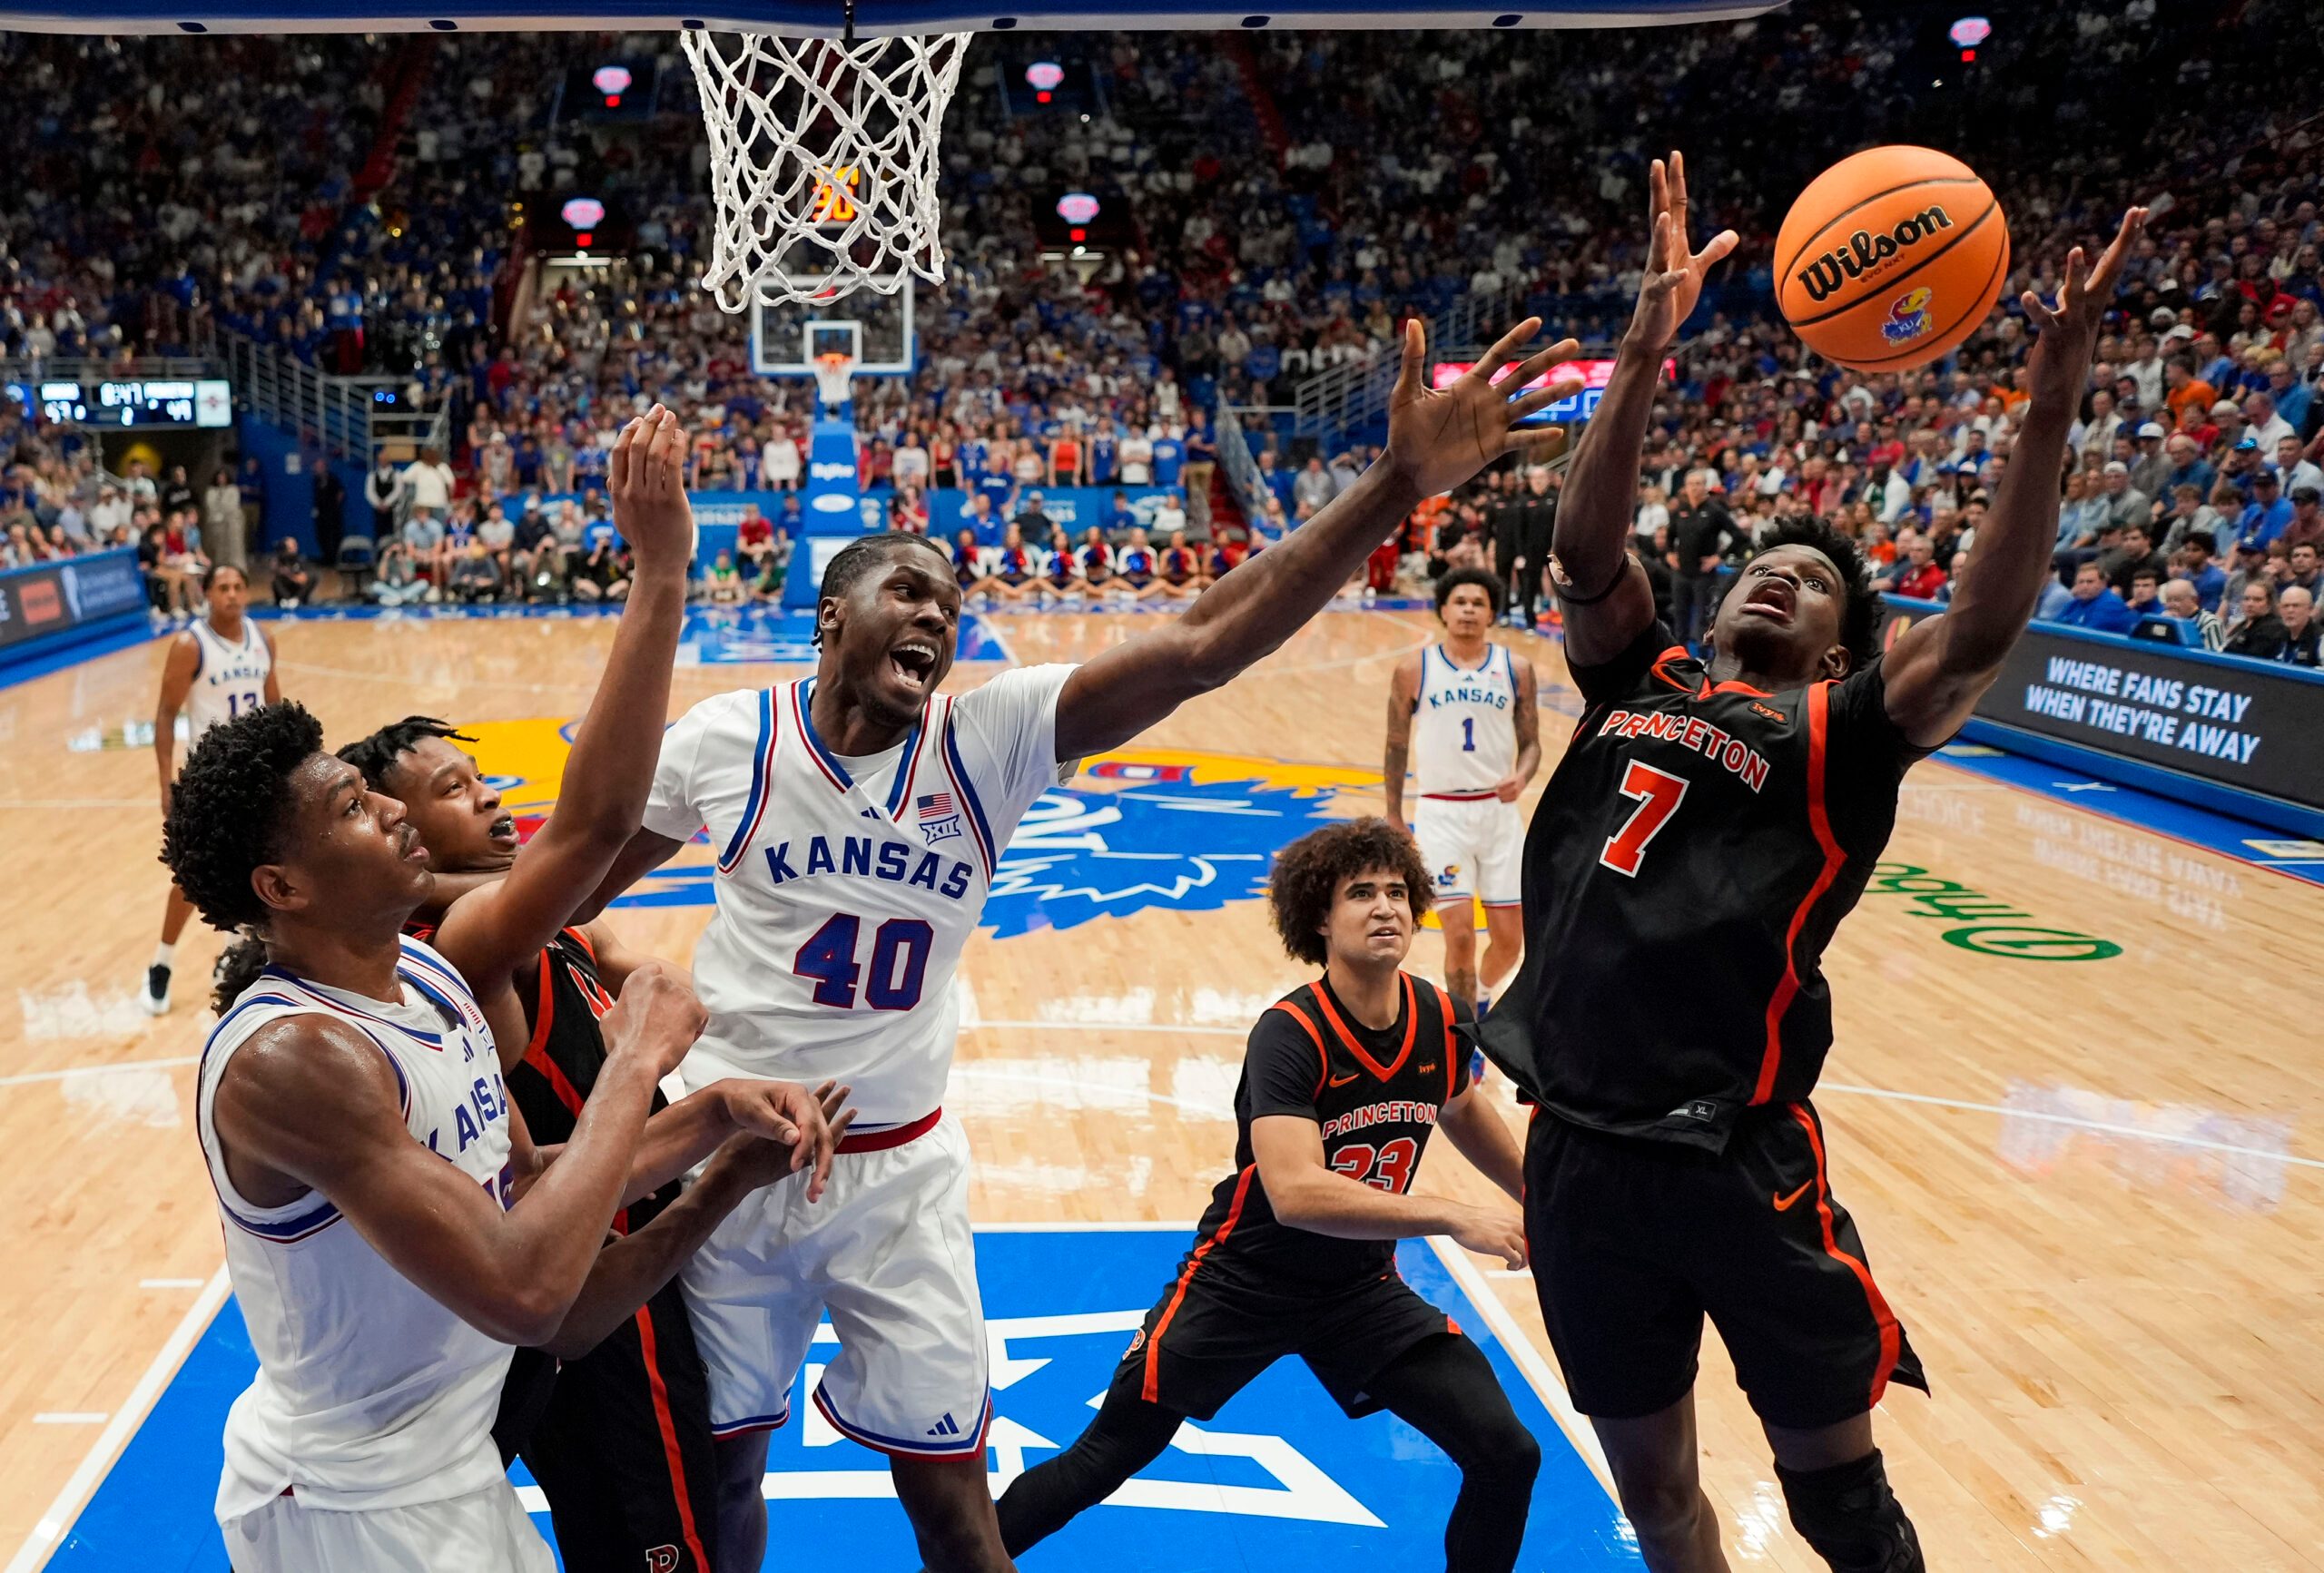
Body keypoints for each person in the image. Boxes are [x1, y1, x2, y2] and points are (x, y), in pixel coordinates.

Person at [578, 320, 1585, 1573]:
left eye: (951, 604)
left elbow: (1209, 640)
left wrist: (1391, 487)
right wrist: (618, 985)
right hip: (730, 1163)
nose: (937, 617)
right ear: (833, 613)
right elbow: (569, 882)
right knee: (723, 1474)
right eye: (909, 592)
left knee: (952, 1502)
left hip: (898, 1176)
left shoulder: (987, 735)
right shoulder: (728, 739)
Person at [1489, 156, 2146, 1573]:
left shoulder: (1842, 736)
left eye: (1814, 578)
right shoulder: (1637, 678)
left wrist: (2049, 397)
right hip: (1581, 1155)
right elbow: (1587, 551)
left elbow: (1973, 631)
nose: (1775, 571)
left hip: (1737, 1158)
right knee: (1656, 1499)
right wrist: (1647, 346)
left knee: (1836, 1499)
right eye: (1762, 561)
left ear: (1842, 649)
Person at [169, 407, 841, 1572]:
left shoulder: (424, 978)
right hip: (349, 1502)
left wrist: (721, 1141)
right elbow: (532, 1292)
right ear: (282, 883)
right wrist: (636, 1056)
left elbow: (546, 1222)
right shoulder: (296, 1057)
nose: (384, 806)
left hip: (446, 1469)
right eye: (352, 806)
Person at [333, 716, 850, 1573]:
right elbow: (589, 833)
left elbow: (606, 932)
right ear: (401, 833)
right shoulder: (468, 947)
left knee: (715, 1499)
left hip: (617, 1262)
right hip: (598, 1295)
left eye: (479, 775)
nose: (490, 794)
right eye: (452, 790)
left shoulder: (557, 928)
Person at [990, 819, 1538, 1570]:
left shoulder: (1440, 1017)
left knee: (1506, 1451)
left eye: (1397, 892)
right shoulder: (1291, 1033)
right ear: (1319, 916)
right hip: (1242, 1281)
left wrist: (1535, 1192)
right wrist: (1452, 1212)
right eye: (1360, 893)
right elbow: (1297, 1192)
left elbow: (1460, 1105)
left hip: (1358, 1288)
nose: (1386, 907)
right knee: (1102, 1460)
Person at [1383, 566, 1539, 1024]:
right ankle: (1465, 1034)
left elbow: (1531, 743)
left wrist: (1524, 776)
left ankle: (1484, 997)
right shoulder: (1414, 668)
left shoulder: (1516, 669)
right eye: (1460, 602)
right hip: (1440, 814)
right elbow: (1395, 743)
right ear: (1444, 610)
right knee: (1461, 935)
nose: (1469, 610)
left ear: (1491, 613)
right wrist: (1393, 812)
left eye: (1478, 603)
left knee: (1511, 940)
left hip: (1498, 814)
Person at [143, 562, 281, 1014]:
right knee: (190, 878)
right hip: (208, 779)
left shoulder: (264, 639)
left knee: (259, 869)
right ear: (206, 594)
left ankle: (236, 954)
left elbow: (275, 709)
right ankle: (162, 962)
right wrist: (165, 782)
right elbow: (165, 715)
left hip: (255, 775)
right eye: (223, 587)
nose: (233, 594)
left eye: (239, 586)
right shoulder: (190, 645)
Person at [1666, 467, 1735, 649]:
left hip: (1703, 575)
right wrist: (1669, 553)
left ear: (1705, 487)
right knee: (1679, 617)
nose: (1695, 488)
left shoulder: (1715, 511)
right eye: (1691, 484)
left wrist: (1719, 557)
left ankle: (1704, 658)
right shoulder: (1681, 510)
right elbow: (1670, 534)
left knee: (1702, 620)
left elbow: (1739, 537)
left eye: (1699, 484)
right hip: (1681, 573)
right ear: (1685, 488)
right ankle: (1678, 656)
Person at [2053, 560, 2140, 633]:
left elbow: (2085, 638)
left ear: (2103, 583)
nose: (2085, 586)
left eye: (2090, 582)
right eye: (2081, 582)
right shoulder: (2074, 603)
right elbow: (2053, 627)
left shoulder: (2111, 605)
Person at [2272, 584, 2321, 665]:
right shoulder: (2276, 636)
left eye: (2296, 606)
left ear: (2310, 610)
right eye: (2286, 606)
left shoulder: (2320, 640)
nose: (2290, 610)